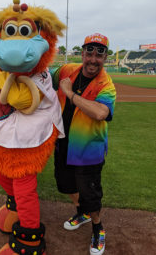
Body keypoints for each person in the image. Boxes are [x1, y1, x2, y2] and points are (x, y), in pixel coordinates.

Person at [52, 33, 116, 255]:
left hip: (89, 150)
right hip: (63, 143)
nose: (93, 59)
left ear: (105, 57)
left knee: (90, 194)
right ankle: (82, 212)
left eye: (99, 54)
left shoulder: (106, 84)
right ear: (83, 53)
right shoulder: (68, 69)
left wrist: (70, 94)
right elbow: (45, 77)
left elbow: (100, 112)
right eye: (89, 52)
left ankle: (98, 228)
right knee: (65, 185)